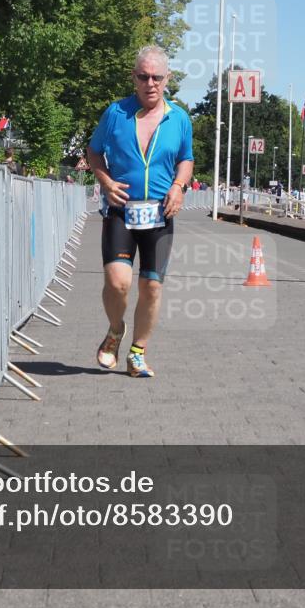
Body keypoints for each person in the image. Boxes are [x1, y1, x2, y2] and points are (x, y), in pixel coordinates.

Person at [85, 45, 194, 378]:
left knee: (152, 287)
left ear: (167, 79)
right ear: (134, 78)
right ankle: (116, 330)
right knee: (118, 283)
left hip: (160, 214)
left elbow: (186, 159)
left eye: (157, 77)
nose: (150, 83)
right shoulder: (116, 113)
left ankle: (137, 352)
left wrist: (178, 187)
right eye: (143, 76)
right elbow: (94, 151)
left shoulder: (179, 118)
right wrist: (105, 181)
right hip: (121, 210)